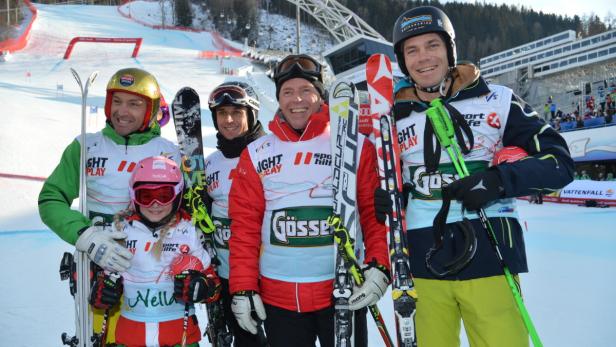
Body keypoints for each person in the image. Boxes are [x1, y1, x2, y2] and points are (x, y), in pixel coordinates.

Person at [385, 6, 574, 347]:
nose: (423, 57)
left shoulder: (497, 100)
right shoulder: (392, 118)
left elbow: (559, 163)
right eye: (411, 50)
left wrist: (499, 180)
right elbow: (387, 180)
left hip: (489, 251)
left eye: (432, 45)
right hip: (421, 260)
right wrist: (386, 195)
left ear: (450, 50)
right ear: (402, 60)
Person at [227, 54, 391, 347]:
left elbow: (371, 213)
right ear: (278, 98)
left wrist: (379, 264)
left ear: (320, 95)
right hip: (278, 298)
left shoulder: (355, 145)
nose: (296, 100)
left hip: (341, 291)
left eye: (306, 90)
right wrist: (242, 287)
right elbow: (245, 228)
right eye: (287, 92)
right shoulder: (255, 153)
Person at [38, 67, 180, 343]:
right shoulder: (86, 146)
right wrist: (85, 235)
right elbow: (50, 198)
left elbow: (183, 215)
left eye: (134, 104)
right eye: (117, 101)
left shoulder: (168, 152)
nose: (122, 111)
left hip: (152, 277)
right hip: (98, 275)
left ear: (151, 110)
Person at [88, 156, 221, 346]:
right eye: (146, 196)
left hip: (180, 338)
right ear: (134, 196)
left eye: (164, 195)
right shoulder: (121, 231)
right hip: (131, 337)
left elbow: (213, 286)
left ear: (177, 195)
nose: (155, 204)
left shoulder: (188, 232)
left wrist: (202, 288)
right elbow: (101, 281)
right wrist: (101, 291)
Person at [204, 81, 266, 346]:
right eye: (221, 113)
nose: (228, 120)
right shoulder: (210, 163)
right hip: (228, 277)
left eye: (236, 113)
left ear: (251, 115)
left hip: (267, 276)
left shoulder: (268, 153)